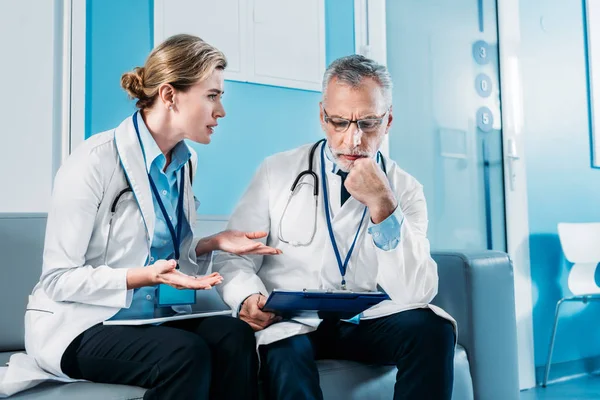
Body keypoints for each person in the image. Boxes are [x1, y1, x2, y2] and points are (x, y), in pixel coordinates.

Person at [3, 34, 281, 399]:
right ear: (169, 95)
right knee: (186, 355)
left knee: (235, 336)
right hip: (81, 323)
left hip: (150, 319)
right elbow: (58, 279)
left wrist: (210, 244)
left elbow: (159, 250)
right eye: (212, 96)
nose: (221, 111)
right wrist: (140, 277)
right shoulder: (94, 161)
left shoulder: (185, 163)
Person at [212, 54, 457, 400]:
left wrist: (385, 206)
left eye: (368, 123)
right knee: (284, 352)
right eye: (340, 122)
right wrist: (246, 297)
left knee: (434, 329)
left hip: (369, 324)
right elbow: (233, 259)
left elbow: (416, 292)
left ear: (388, 121)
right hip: (295, 323)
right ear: (322, 117)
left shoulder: (405, 189)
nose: (352, 140)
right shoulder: (277, 171)